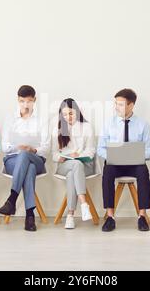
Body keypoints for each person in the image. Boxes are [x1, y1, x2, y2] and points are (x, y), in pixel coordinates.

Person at [97, 88, 150, 232]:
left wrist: (135, 156)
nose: (117, 107)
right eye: (116, 104)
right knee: (107, 171)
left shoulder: (143, 124)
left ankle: (142, 216)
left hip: (135, 164)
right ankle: (110, 216)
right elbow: (100, 149)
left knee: (143, 171)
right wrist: (114, 156)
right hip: (115, 163)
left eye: (120, 104)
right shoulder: (108, 123)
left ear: (131, 105)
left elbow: (149, 151)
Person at [0, 85, 50, 231]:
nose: (25, 105)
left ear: (35, 100)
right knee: (28, 167)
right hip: (13, 160)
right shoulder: (10, 119)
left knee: (27, 156)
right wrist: (18, 147)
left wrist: (32, 149)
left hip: (37, 159)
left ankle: (12, 199)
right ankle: (30, 215)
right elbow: (5, 147)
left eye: (29, 101)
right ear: (17, 100)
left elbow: (46, 148)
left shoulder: (42, 120)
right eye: (22, 101)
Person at [51, 98, 95, 229]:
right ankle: (83, 203)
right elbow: (53, 154)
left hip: (85, 166)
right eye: (64, 115)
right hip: (64, 165)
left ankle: (70, 216)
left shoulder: (86, 127)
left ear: (77, 112)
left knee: (74, 171)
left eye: (70, 113)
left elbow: (91, 151)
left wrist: (79, 155)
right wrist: (62, 157)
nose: (68, 117)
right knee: (75, 165)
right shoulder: (57, 130)